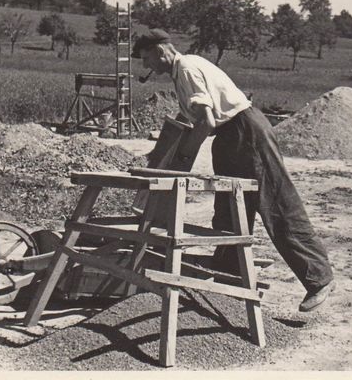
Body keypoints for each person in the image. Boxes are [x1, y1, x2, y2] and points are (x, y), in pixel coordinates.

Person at [131, 29, 334, 312]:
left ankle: (319, 279)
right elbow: (190, 116)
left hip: (245, 133)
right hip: (229, 138)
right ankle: (229, 280)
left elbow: (206, 121)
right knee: (229, 209)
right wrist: (163, 150)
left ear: (161, 50)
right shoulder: (184, 70)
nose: (146, 66)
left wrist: (185, 154)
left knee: (276, 205)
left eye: (146, 58)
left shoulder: (187, 69)